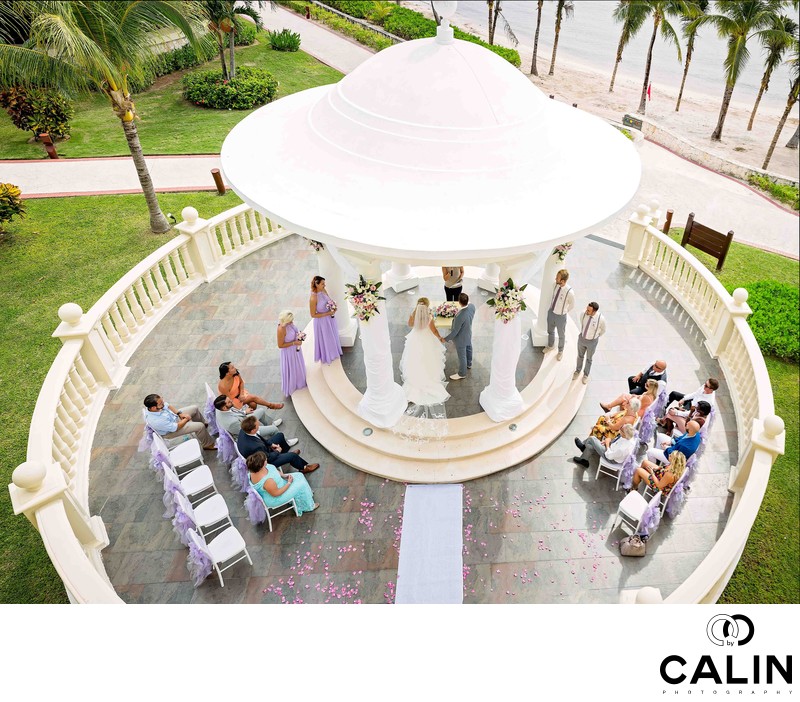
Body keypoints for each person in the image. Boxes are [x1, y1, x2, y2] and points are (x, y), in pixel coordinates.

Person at [399, 297, 450, 405]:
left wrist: (414, 317)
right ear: (426, 306)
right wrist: (440, 337)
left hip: (416, 338)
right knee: (428, 358)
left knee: (415, 358)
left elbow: (410, 324)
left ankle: (415, 376)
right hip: (427, 339)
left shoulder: (413, 314)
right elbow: (434, 330)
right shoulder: (429, 316)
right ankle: (427, 375)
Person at [237, 415, 317, 473]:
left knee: (280, 436)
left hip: (263, 450)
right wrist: (277, 451)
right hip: (265, 462)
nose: (259, 425)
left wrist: (271, 445)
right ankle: (303, 468)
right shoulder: (255, 447)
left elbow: (259, 438)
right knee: (293, 456)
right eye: (258, 425)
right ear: (253, 430)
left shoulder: (245, 430)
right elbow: (268, 458)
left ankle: (285, 454)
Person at [247, 451, 318, 515]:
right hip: (277, 497)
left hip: (279, 484)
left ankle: (306, 494)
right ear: (261, 465)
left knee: (299, 475)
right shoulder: (267, 481)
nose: (266, 459)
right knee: (301, 484)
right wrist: (289, 483)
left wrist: (284, 476)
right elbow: (276, 493)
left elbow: (273, 470)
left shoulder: (254, 469)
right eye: (265, 460)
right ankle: (308, 506)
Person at [143, 394, 215, 450]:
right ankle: (207, 445)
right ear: (153, 408)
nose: (163, 403)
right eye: (161, 403)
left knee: (194, 408)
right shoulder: (157, 421)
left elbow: (168, 406)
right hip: (171, 431)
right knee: (199, 426)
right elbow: (176, 427)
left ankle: (202, 431)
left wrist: (180, 414)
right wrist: (186, 419)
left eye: (162, 401)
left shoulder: (156, 406)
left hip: (174, 418)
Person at [213, 394, 290, 440]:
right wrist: (255, 425)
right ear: (224, 408)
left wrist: (244, 412)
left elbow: (234, 412)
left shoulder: (220, 409)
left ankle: (269, 426)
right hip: (247, 431)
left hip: (243, 420)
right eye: (229, 402)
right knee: (274, 429)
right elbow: (246, 432)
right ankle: (286, 442)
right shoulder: (232, 423)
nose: (232, 402)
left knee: (261, 411)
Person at [309, 275, 343, 365]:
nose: (325, 285)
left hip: (330, 318)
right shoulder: (313, 298)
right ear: (317, 284)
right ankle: (327, 355)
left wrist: (333, 307)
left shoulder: (323, 290)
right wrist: (328, 313)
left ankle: (334, 351)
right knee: (326, 338)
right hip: (321, 321)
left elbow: (329, 300)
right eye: (322, 284)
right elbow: (313, 315)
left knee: (332, 335)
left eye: (324, 283)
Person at [542, 268, 574, 361]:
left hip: (561, 316)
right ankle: (550, 345)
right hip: (551, 312)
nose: (555, 279)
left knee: (561, 335)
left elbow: (572, 305)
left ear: (563, 281)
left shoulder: (569, 292)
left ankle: (560, 351)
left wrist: (563, 311)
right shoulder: (556, 285)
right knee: (550, 331)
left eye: (557, 278)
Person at [443, 292, 475, 380]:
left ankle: (462, 373)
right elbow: (469, 305)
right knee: (469, 348)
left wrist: (445, 339)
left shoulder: (460, 316)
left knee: (462, 356)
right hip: (468, 334)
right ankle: (469, 364)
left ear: (459, 302)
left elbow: (455, 331)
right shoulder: (472, 307)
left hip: (461, 339)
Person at [573, 301, 605, 385]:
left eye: (588, 310)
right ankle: (577, 371)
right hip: (582, 339)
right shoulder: (583, 314)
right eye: (587, 309)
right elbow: (582, 323)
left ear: (594, 311)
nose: (586, 311)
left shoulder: (600, 319)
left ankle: (585, 375)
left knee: (589, 359)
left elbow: (603, 330)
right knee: (580, 356)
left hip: (592, 342)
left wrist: (594, 337)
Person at [277, 310, 307, 397]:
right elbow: (280, 345)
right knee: (292, 367)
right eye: (290, 320)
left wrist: (299, 337)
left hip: (295, 350)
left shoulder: (290, 324)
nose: (292, 321)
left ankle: (299, 379)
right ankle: (292, 384)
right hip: (288, 352)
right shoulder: (281, 329)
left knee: (297, 365)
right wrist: (294, 343)